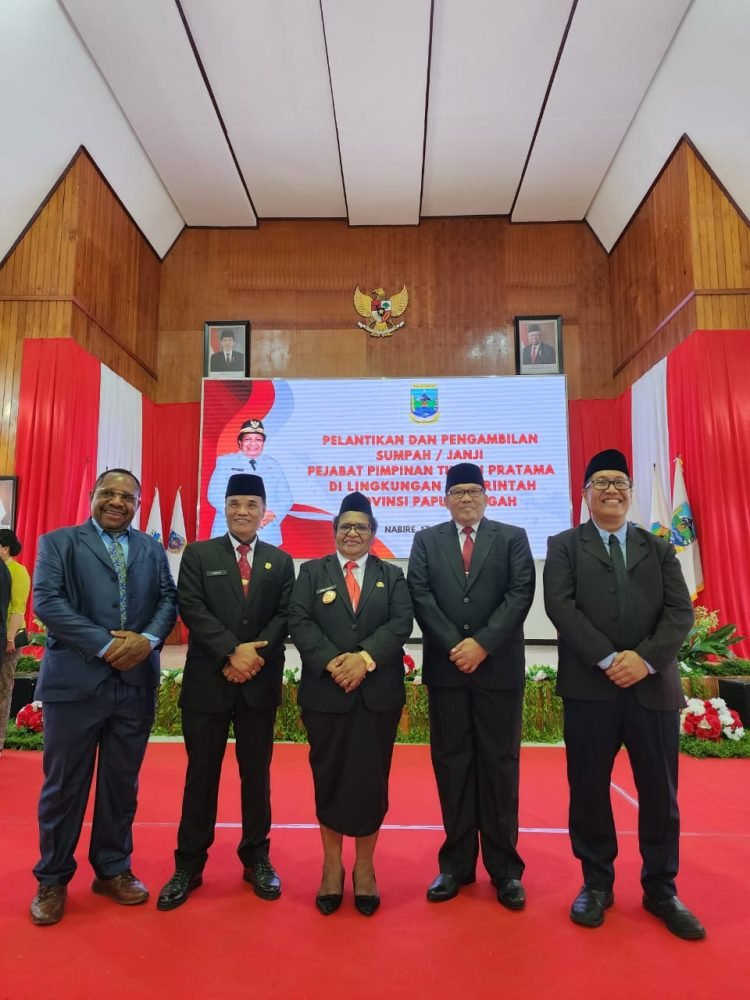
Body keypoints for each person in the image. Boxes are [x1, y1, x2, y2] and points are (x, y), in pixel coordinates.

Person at [543, 449, 705, 940]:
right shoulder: (564, 546)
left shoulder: (658, 547)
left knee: (659, 793)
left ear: (631, 493)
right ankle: (596, 883)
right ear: (586, 493)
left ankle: (661, 888)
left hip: (652, 689)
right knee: (588, 790)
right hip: (590, 691)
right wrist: (610, 659)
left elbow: (680, 612)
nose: (611, 490)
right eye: (601, 482)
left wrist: (645, 660)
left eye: (620, 483)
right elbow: (561, 608)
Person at [30, 469, 177, 926]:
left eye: (127, 497)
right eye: (108, 493)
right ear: (92, 496)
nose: (117, 502)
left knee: (121, 785)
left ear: (137, 505)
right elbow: (47, 602)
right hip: (75, 685)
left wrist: (147, 640)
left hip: (134, 686)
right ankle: (52, 878)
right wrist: (106, 645)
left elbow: (168, 601)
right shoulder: (59, 543)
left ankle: (112, 868)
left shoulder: (152, 548)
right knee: (64, 786)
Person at [157, 473, 295, 911]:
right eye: (235, 503)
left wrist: (252, 657)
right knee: (201, 775)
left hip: (258, 681)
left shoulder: (280, 560)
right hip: (209, 681)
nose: (243, 511)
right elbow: (191, 607)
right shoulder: (199, 554)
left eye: (252, 504)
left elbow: (286, 615)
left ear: (264, 511)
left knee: (256, 776)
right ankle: (189, 864)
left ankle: (256, 859)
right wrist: (231, 652)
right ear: (224, 507)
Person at [407, 462, 535, 908]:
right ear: (445, 499)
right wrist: (455, 645)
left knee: (500, 766)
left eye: (473, 491)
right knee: (452, 764)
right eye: (457, 492)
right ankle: (456, 865)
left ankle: (506, 870)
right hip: (447, 671)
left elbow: (520, 594)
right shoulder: (426, 541)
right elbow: (420, 595)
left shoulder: (512, 537)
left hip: (498, 669)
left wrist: (481, 644)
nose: (466, 498)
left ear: (486, 496)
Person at [289, 492, 413, 916]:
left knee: (371, 780)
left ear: (373, 533)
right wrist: (333, 663)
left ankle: (364, 869)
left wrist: (364, 659)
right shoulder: (312, 572)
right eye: (346, 526)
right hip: (326, 695)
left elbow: (401, 622)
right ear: (334, 531)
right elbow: (299, 621)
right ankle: (331, 868)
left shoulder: (391, 575)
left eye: (361, 526)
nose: (353, 533)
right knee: (329, 777)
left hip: (377, 696)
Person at [207, 418, 293, 547]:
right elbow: (214, 495)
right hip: (230, 530)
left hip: (266, 532)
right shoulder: (225, 462)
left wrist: (271, 514)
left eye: (258, 439)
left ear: (263, 443)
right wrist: (243, 513)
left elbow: (286, 498)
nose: (253, 443)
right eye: (248, 439)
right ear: (240, 442)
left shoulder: (273, 465)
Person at [0, 529, 31, 756]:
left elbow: (18, 608)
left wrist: (10, 638)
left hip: (8, 638)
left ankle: (0, 737)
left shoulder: (18, 571)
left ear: (6, 548)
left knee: (3, 687)